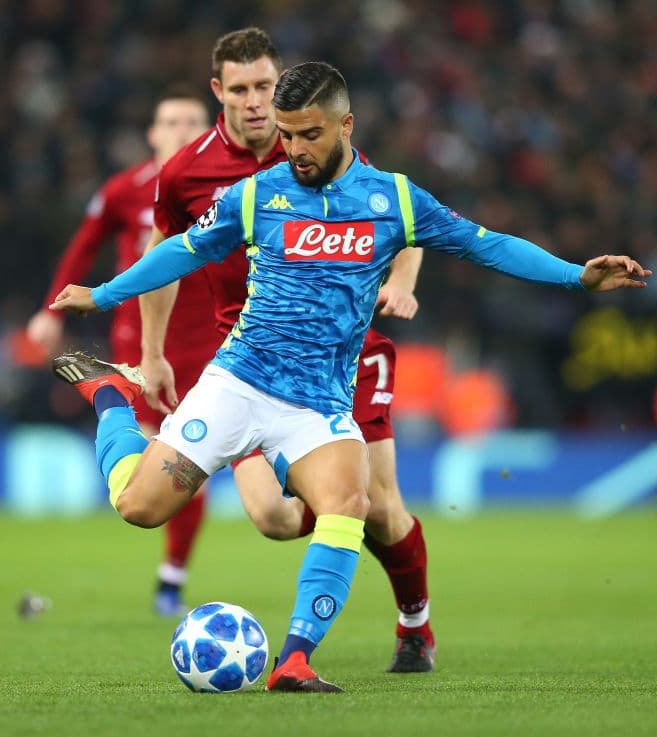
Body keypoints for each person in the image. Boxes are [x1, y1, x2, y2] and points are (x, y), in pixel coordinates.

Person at [49, 60, 650, 692]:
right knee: (138, 508)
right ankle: (110, 396)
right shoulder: (258, 196)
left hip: (316, 405)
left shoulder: (392, 198)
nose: (294, 150)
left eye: (309, 134)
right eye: (285, 135)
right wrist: (106, 294)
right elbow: (183, 248)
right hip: (237, 383)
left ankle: (295, 659)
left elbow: (486, 243)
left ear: (345, 124)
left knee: (349, 503)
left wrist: (576, 275)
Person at [139, 27, 436, 672]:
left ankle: (415, 625)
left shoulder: (312, 140)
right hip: (250, 366)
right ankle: (335, 525)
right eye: (240, 89)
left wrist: (402, 281)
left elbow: (402, 214)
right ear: (218, 92)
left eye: (264, 87)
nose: (254, 102)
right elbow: (162, 260)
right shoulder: (186, 174)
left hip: (342, 356)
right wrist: (154, 352)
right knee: (273, 517)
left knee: (381, 510)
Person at [25, 89, 217, 616]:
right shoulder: (124, 190)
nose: (180, 130)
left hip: (212, 342)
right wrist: (50, 310)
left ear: (208, 132)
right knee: (162, 465)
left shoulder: (225, 188)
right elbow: (83, 245)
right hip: (141, 339)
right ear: (153, 134)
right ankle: (172, 579)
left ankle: (172, 574)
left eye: (192, 122)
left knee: (193, 468)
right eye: (170, 121)